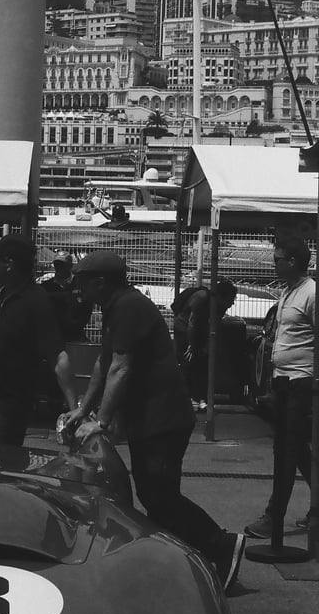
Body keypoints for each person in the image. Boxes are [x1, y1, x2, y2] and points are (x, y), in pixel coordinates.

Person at [61, 249, 245, 593]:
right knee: (155, 495)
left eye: (82, 282)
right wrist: (84, 409)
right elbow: (104, 363)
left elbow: (121, 367)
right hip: (150, 418)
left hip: (163, 418)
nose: (77, 289)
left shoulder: (129, 307)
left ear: (101, 282)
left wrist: (101, 421)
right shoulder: (115, 307)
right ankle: (175, 564)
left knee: (160, 496)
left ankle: (221, 545)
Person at [0, 234, 76, 448]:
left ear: (9, 263)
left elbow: (58, 355)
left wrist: (74, 408)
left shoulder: (36, 299)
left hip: (6, 406)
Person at [245, 238, 314, 539]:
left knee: (287, 449)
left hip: (300, 381)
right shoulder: (288, 291)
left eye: (277, 260)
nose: (274, 265)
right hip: (283, 380)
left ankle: (274, 518)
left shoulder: (311, 293)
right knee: (295, 449)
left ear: (293, 262)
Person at [172, 278, 237, 411]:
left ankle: (199, 398)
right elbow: (192, 322)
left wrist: (206, 345)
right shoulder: (202, 297)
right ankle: (186, 399)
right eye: (231, 299)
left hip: (197, 330)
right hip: (184, 328)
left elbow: (213, 325)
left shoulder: (221, 306)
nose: (232, 303)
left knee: (202, 363)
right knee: (188, 362)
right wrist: (191, 344)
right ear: (221, 296)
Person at [41, 251, 93, 344]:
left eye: (62, 264)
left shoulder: (80, 284)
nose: (59, 267)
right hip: (52, 337)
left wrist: (76, 325)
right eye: (57, 264)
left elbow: (87, 307)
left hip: (76, 336)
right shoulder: (46, 287)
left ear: (70, 265)